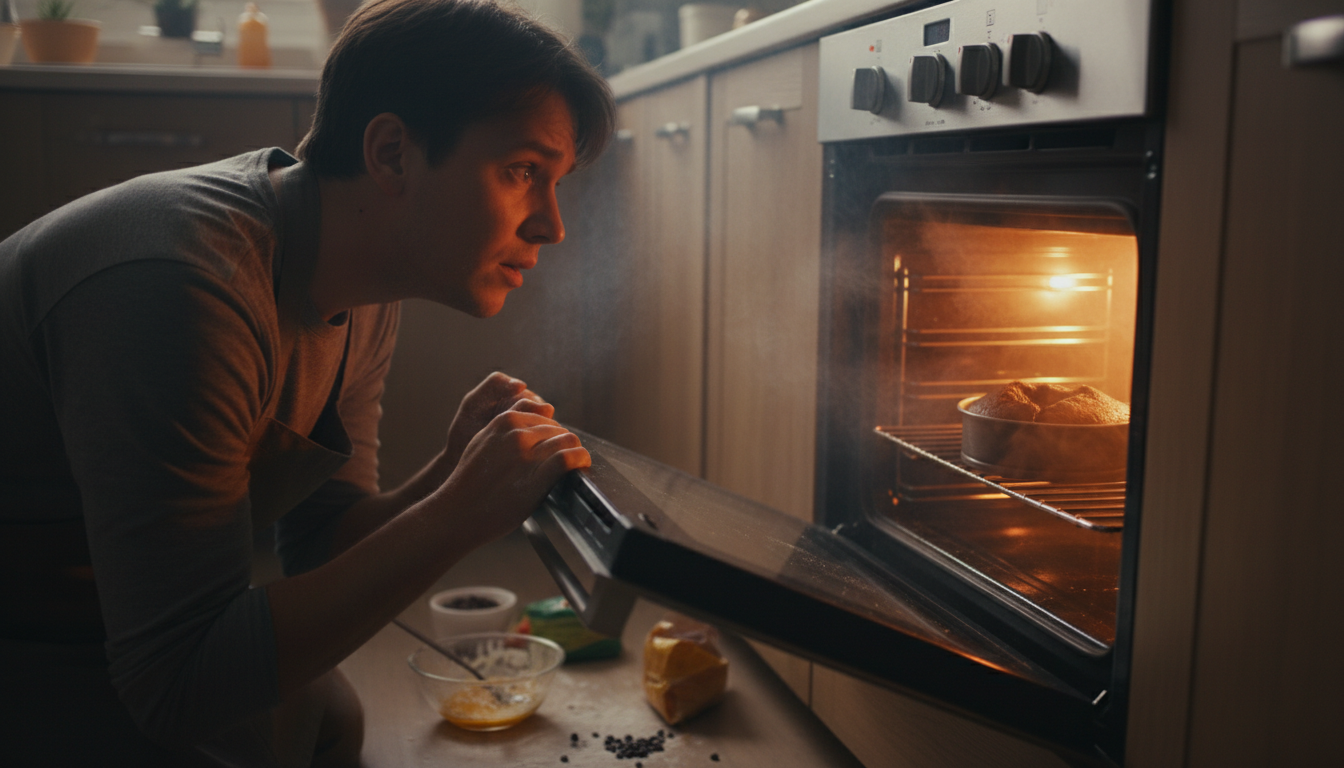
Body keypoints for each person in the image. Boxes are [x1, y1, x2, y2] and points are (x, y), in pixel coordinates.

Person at [0, 0, 614, 765]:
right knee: (273, 726)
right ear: (391, 153)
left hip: (107, 611)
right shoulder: (183, 286)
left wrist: (448, 476)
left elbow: (322, 543)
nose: (552, 225)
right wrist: (459, 514)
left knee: (324, 717)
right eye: (523, 171)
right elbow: (176, 685)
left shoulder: (359, 282)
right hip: (34, 623)